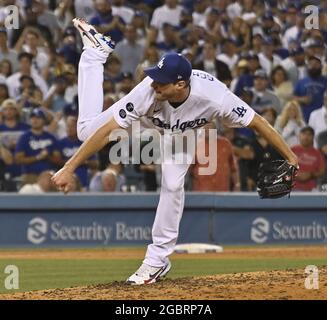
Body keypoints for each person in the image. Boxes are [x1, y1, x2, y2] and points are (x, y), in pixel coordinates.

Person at [52, 18, 298, 285]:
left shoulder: (216, 97)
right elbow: (105, 132)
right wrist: (70, 167)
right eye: (154, 77)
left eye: (161, 81)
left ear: (180, 84)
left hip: (183, 133)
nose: (153, 83)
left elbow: (258, 123)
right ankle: (95, 54)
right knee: (87, 131)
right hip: (150, 119)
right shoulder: (148, 92)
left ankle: (156, 262)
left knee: (172, 183)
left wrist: (291, 157)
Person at [291, 126, 325, 191]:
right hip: (292, 188)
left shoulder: (318, 154)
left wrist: (311, 174)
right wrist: (296, 174)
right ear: (299, 136)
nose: (306, 137)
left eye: (309, 134)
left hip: (311, 189)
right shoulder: (291, 150)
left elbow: (322, 171)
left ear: (313, 137)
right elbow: (284, 167)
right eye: (304, 134)